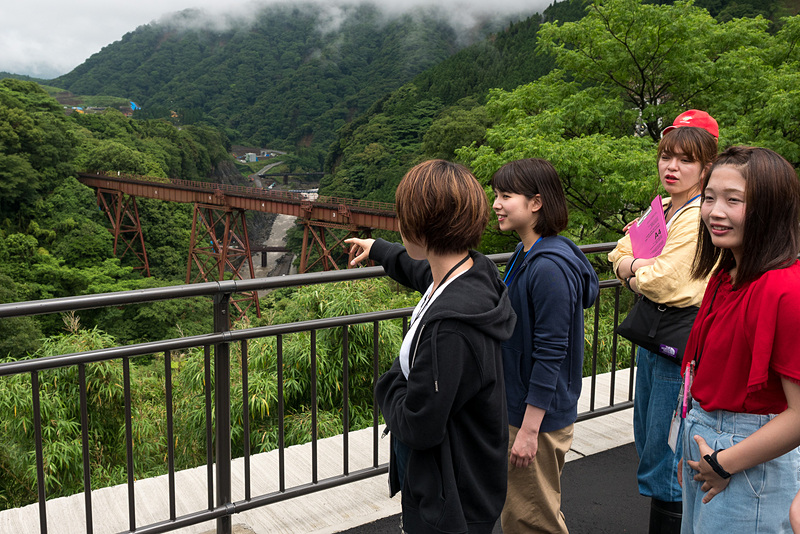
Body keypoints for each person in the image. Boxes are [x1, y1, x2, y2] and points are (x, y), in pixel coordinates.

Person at [345, 159, 516, 534]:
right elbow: (423, 271)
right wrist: (379, 249)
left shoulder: (450, 328)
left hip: (450, 497)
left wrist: (388, 382)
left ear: (419, 228)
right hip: (467, 473)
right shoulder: (473, 271)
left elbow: (420, 424)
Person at [679, 146, 800, 533]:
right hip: (707, 436)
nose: (715, 211)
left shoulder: (784, 289)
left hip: (746, 456)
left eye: (734, 200)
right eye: (710, 197)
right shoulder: (726, 273)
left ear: (771, 208)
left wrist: (721, 463)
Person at [608, 111, 719, 534]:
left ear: (707, 167)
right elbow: (618, 250)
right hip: (657, 341)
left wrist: (634, 270)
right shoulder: (665, 208)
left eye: (685, 160)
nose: (671, 167)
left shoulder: (696, 216)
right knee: (651, 445)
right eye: (666, 157)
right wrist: (635, 268)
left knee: (669, 455)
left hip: (680, 346)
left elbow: (664, 283)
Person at [490, 158, 599, 534]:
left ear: (536, 203)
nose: (496, 205)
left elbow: (551, 352)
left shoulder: (548, 266)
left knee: (532, 519)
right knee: (526, 511)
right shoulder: (530, 252)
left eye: (506, 196)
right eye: (496, 195)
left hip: (534, 415)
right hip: (525, 408)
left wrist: (528, 430)